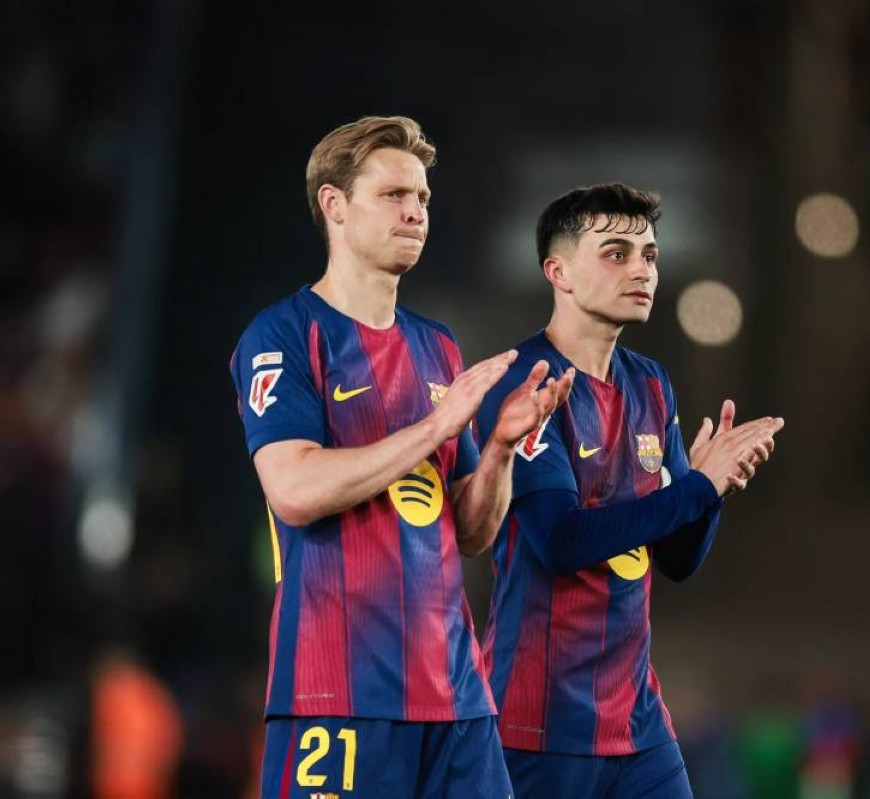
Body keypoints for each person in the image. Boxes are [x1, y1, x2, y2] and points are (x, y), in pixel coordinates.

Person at [229, 115, 572, 798]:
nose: (415, 212)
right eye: (393, 195)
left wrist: (500, 448)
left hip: (456, 696)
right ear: (334, 205)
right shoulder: (284, 334)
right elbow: (293, 488)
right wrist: (436, 425)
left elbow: (470, 530)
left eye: (422, 198)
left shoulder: (436, 346)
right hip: (338, 691)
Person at [475, 183, 784, 798]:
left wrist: (711, 491)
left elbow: (677, 559)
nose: (641, 270)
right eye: (616, 253)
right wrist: (697, 488)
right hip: (540, 722)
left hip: (638, 723)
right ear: (558, 272)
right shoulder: (523, 382)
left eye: (649, 255)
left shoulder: (651, 384)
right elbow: (560, 542)